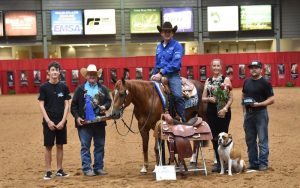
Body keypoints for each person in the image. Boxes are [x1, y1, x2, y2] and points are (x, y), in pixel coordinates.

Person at [71, 64, 112, 176]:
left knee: (100, 145)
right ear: (87, 76)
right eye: (90, 74)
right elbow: (73, 106)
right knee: (85, 146)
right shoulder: (80, 89)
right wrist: (77, 117)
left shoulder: (103, 88)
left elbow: (109, 101)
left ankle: (98, 167)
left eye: (94, 74)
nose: (92, 76)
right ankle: (87, 169)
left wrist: (105, 107)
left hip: (99, 122)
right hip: (84, 123)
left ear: (97, 76)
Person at [38, 61, 71, 180]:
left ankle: (59, 169)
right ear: (49, 72)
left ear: (59, 72)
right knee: (48, 146)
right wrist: (48, 121)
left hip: (61, 121)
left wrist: (63, 121)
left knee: (60, 145)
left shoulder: (64, 86)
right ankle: (48, 171)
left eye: (57, 70)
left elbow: (67, 104)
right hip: (49, 122)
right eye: (52, 70)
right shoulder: (43, 87)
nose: (55, 72)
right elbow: (41, 105)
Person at [242, 60, 275, 171]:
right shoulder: (246, 81)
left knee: (262, 140)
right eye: (251, 67)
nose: (253, 69)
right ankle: (253, 163)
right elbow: (243, 95)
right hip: (248, 115)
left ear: (261, 69)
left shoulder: (265, 82)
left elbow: (271, 99)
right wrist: (244, 113)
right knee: (250, 140)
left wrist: (258, 104)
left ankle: (263, 164)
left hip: (261, 113)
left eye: (256, 67)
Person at [202, 59, 233, 172]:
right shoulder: (208, 80)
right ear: (211, 67)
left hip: (223, 112)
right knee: (215, 138)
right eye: (214, 65)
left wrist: (225, 109)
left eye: (218, 65)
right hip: (211, 111)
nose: (216, 67)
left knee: (223, 137)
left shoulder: (226, 79)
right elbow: (203, 98)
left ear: (221, 67)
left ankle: (226, 162)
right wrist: (209, 98)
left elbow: (231, 98)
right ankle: (219, 163)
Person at [151, 21, 185, 122]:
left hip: (172, 75)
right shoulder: (158, 46)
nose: (167, 33)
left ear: (172, 33)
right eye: (165, 31)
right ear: (161, 33)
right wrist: (154, 73)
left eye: (169, 31)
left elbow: (175, 64)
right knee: (148, 92)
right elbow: (157, 62)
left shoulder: (177, 46)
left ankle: (182, 118)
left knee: (178, 95)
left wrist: (161, 73)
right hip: (158, 73)